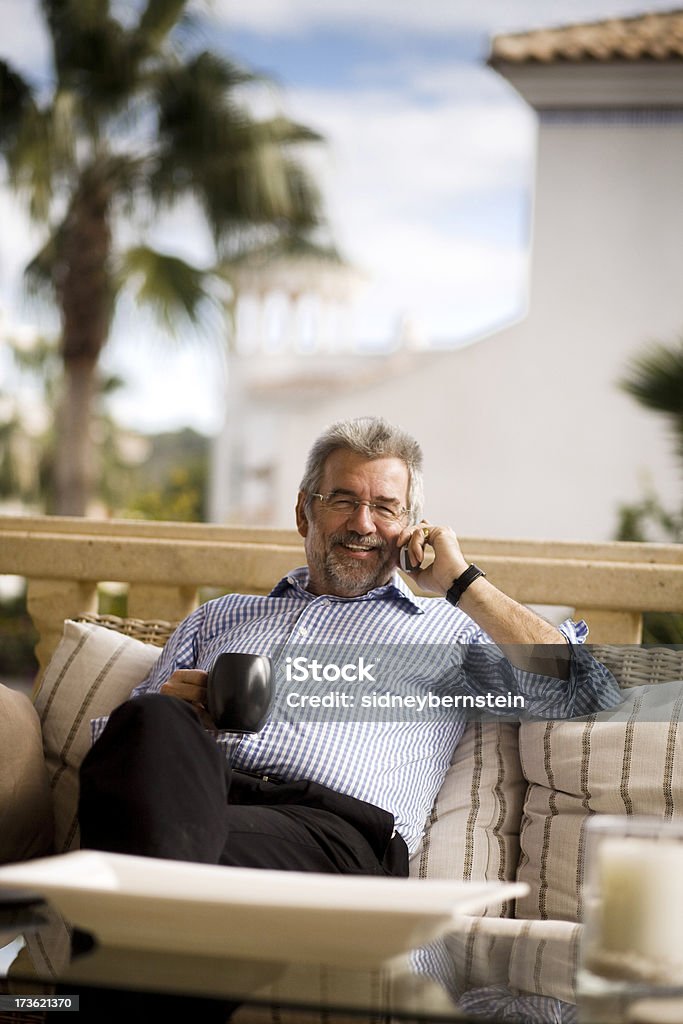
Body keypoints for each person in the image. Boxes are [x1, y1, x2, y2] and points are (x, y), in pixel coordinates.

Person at [70, 416, 622, 1019]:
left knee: (137, 877)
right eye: (343, 500)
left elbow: (585, 691)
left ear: (411, 528)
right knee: (154, 726)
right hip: (198, 801)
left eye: (386, 507)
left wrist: (459, 581)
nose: (364, 523)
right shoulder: (221, 616)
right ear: (305, 514)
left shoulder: (445, 631)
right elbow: (111, 758)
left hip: (332, 836)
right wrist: (175, 715)